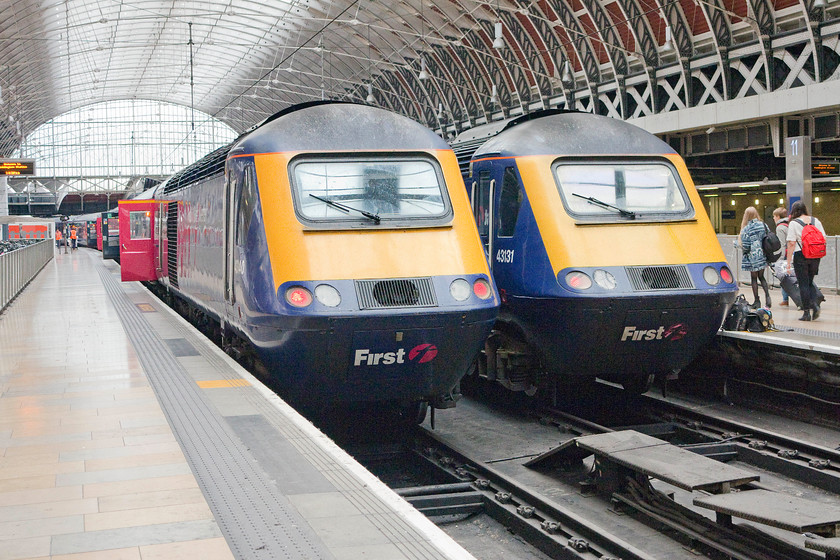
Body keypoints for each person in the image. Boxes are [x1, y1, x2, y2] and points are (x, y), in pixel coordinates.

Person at [786, 201, 826, 321]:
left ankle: (807, 313)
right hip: (815, 256)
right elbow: (823, 238)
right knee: (809, 282)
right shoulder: (815, 221)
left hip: (800, 255)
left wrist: (788, 262)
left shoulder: (794, 223)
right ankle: (815, 304)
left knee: (803, 284)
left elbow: (791, 243)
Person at [739, 206, 771, 309]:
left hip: (752, 257)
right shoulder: (763, 225)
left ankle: (757, 301)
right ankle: (768, 297)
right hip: (762, 254)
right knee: (762, 277)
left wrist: (737, 244)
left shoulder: (746, 228)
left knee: (754, 278)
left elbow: (746, 245)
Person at [772, 207, 790, 306]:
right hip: (793, 254)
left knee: (783, 276)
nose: (773, 218)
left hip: (786, 255)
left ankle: (785, 299)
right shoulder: (788, 225)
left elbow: (782, 244)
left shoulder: (780, 228)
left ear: (778, 216)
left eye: (774, 216)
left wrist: (780, 258)